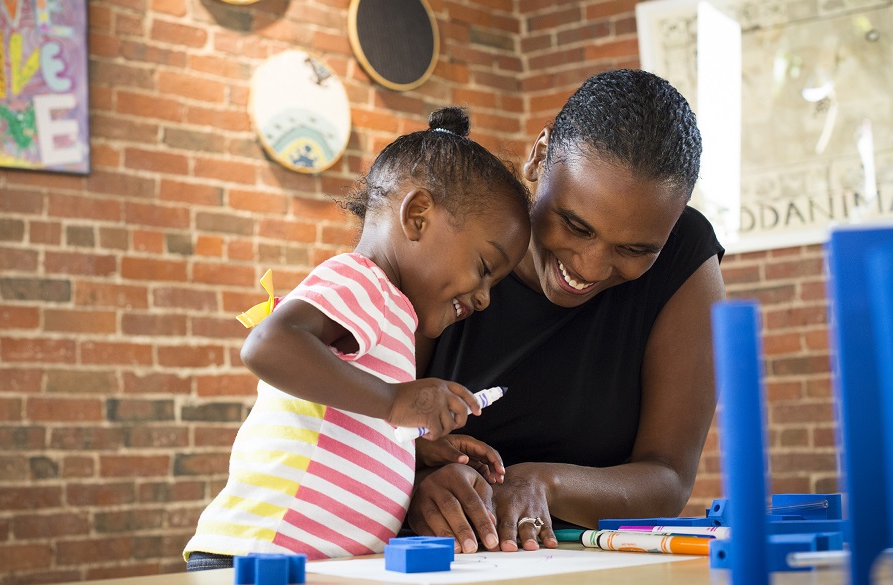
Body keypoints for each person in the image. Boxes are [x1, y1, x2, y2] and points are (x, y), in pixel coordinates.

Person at [184, 107, 531, 568]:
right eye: (484, 269)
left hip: (311, 564)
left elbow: (335, 418)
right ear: (418, 215)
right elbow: (269, 342)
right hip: (262, 557)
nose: (484, 299)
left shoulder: (390, 313)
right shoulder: (363, 282)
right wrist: (395, 400)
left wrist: (412, 445)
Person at [408, 69, 727, 555]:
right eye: (575, 225)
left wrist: (546, 483)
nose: (590, 267)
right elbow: (358, 428)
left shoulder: (685, 260)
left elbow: (669, 476)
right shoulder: (453, 230)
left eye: (636, 249)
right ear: (539, 157)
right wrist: (413, 485)